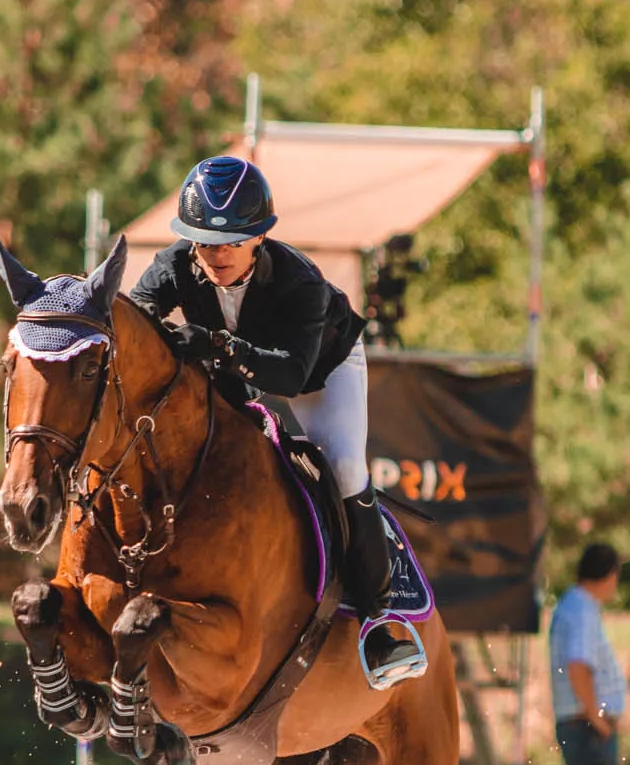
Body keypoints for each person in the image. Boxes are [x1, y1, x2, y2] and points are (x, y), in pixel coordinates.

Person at [127, 154, 426, 689]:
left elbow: (290, 375)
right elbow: (135, 319)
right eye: (203, 241)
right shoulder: (175, 265)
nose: (214, 254)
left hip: (321, 369)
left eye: (230, 242)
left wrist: (216, 343)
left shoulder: (300, 282)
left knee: (345, 465)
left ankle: (380, 621)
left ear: (258, 238)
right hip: (234, 365)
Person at [549, 543, 630, 765]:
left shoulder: (573, 605)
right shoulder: (582, 609)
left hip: (585, 727)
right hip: (588, 729)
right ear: (609, 574)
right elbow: (579, 665)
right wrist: (597, 716)